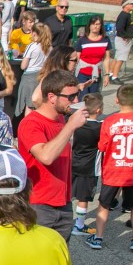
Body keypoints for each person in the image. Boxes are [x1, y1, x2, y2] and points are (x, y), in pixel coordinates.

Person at [17, 69, 87, 242]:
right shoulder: (31, 123)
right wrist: (70, 127)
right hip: (39, 205)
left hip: (63, 203)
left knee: (58, 259)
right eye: (70, 97)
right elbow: (46, 156)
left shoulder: (60, 118)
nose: (76, 101)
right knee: (36, 262)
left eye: (77, 95)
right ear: (52, 97)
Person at [87, 83, 133, 252]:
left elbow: (102, 147)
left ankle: (98, 237)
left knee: (104, 204)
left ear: (116, 100)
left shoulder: (109, 121)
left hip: (113, 170)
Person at [69, 93, 103, 237]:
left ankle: (65, 219)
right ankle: (79, 225)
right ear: (98, 110)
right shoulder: (100, 127)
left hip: (73, 162)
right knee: (83, 198)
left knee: (69, 195)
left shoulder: (77, 124)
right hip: (89, 168)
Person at [15, 22, 51, 118]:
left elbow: (23, 66)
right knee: (37, 105)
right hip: (43, 77)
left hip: (29, 78)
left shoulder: (32, 46)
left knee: (29, 106)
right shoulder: (50, 47)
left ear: (34, 33)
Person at [74, 15, 111, 99]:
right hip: (82, 74)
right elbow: (77, 58)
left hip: (96, 74)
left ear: (101, 26)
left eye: (98, 24)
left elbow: (106, 58)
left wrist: (107, 74)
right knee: (82, 98)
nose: (95, 26)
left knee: (93, 99)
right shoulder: (82, 40)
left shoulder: (105, 40)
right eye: (93, 24)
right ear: (89, 25)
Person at [110, 0, 133, 84]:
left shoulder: (127, 14)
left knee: (117, 57)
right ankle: (115, 77)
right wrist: (125, 36)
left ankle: (111, 73)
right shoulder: (124, 15)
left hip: (123, 40)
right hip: (123, 41)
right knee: (120, 59)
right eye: (131, 4)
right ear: (126, 5)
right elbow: (119, 28)